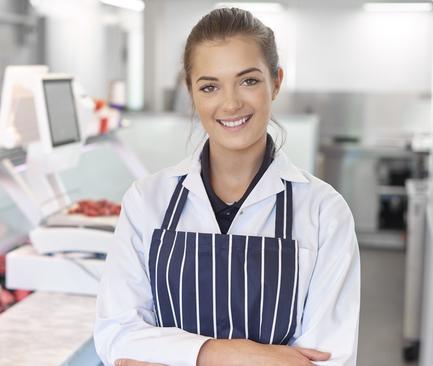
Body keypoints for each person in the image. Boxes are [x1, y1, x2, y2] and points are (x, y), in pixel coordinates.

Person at [94, 7, 360, 366]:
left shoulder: (323, 211)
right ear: (192, 92)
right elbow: (116, 336)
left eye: (248, 80)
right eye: (209, 86)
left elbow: (327, 360)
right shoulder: (147, 200)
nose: (231, 102)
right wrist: (230, 353)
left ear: (276, 82)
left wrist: (167, 354)